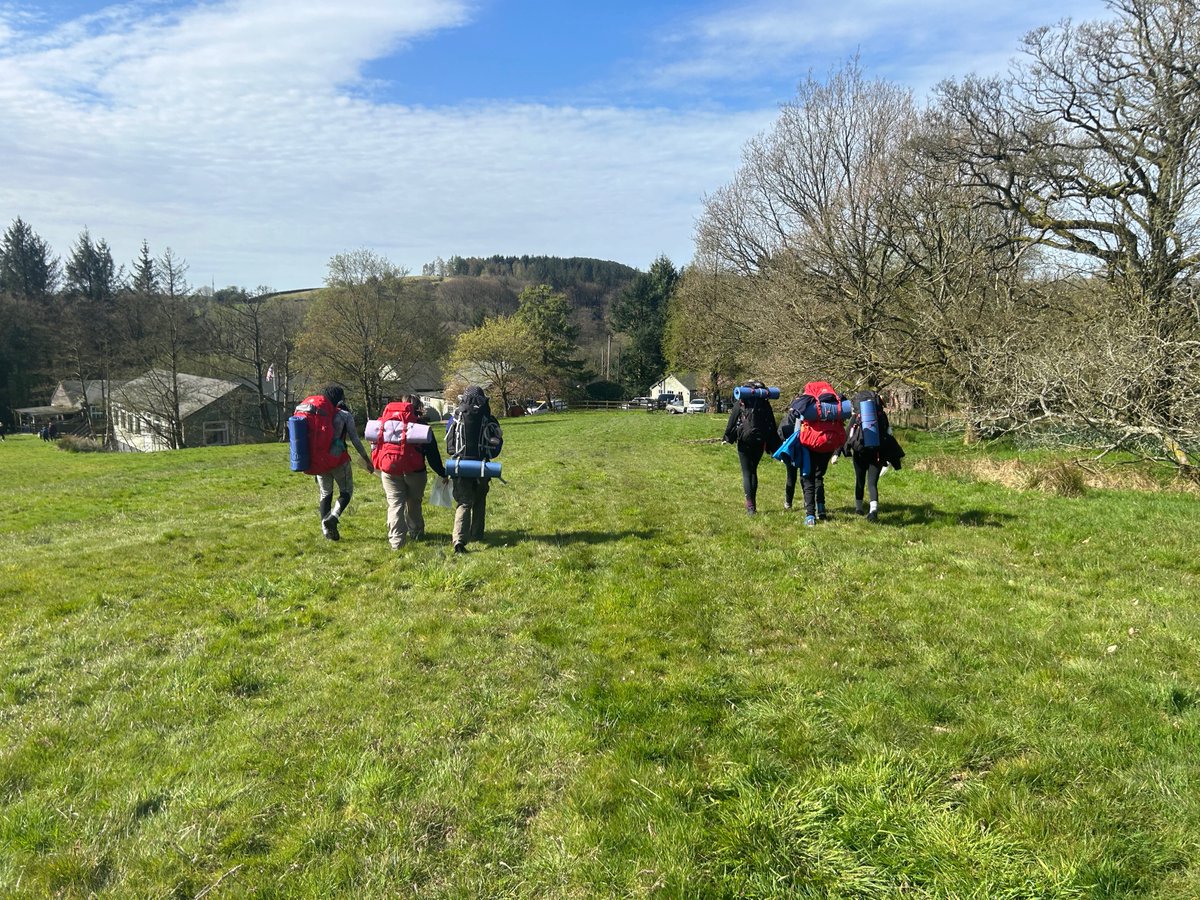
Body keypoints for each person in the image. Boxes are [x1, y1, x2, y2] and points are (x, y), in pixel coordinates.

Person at [371, 395, 448, 549]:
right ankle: (416, 533)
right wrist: (442, 472)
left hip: (390, 470)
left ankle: (396, 541)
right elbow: (432, 454)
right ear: (417, 407)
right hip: (415, 471)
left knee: (394, 504)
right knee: (414, 503)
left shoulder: (384, 423)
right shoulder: (421, 425)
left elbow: (375, 445)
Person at [445, 385, 503, 553]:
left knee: (463, 502)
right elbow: (497, 446)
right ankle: (477, 534)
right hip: (483, 466)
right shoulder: (488, 418)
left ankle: (459, 540)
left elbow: (449, 447)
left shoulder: (455, 417)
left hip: (460, 465)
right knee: (479, 501)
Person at [314, 385, 374, 541]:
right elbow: (355, 439)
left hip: (320, 461)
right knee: (346, 491)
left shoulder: (317, 414)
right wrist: (366, 459)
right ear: (341, 398)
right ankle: (333, 518)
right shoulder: (345, 415)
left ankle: (326, 531)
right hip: (338, 459)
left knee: (325, 493)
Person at [844, 390, 905, 522]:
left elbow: (848, 434)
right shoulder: (881, 415)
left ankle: (858, 508)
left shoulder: (856, 417)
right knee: (872, 483)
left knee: (860, 481)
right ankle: (873, 510)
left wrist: (841, 451)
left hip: (860, 453)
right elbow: (888, 433)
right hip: (878, 453)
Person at [794, 381, 848, 527]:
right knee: (819, 476)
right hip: (829, 444)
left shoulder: (808, 403)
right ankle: (822, 508)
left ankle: (810, 515)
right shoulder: (834, 402)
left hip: (810, 444)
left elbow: (796, 417)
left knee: (808, 478)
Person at [722, 380, 780, 515]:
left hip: (744, 441)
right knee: (753, 471)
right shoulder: (765, 404)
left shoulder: (741, 402)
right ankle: (753, 505)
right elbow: (771, 424)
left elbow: (732, 421)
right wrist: (774, 445)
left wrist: (727, 438)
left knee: (747, 473)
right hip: (760, 441)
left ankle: (750, 507)